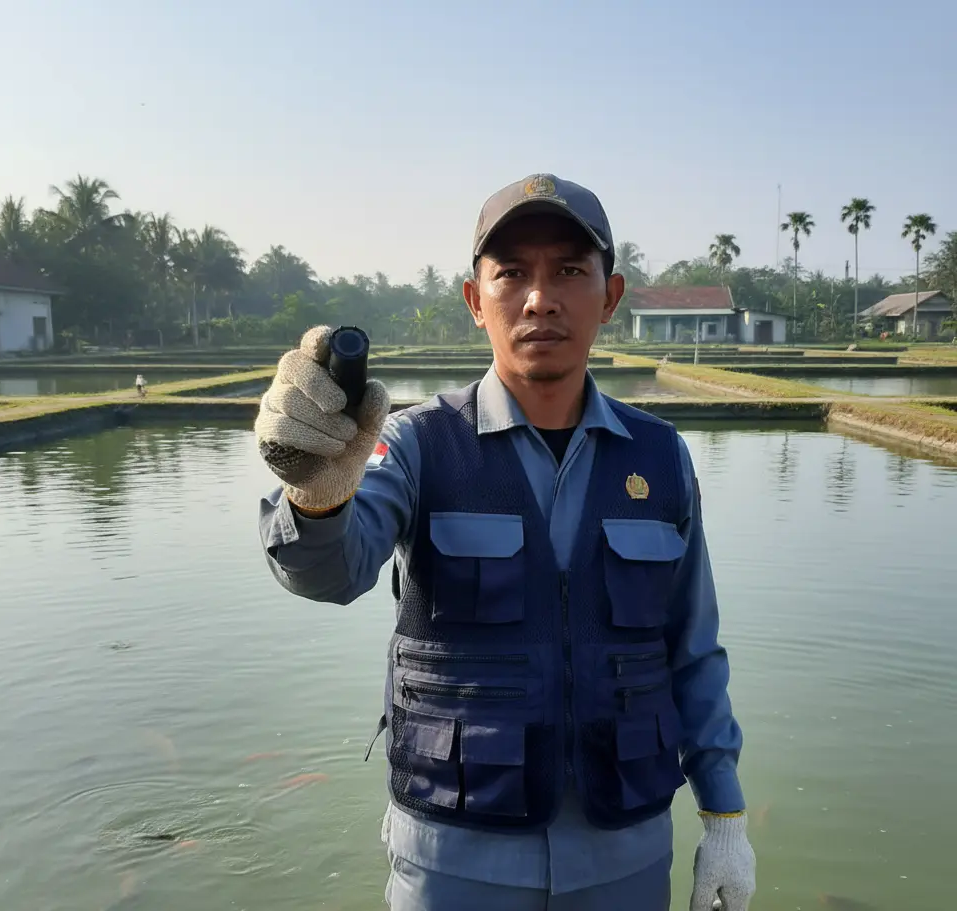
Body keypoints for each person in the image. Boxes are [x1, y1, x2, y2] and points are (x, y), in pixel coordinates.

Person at [253, 173, 756, 911]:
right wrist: (316, 491)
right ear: (474, 300)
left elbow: (693, 647)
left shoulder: (660, 456)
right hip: (456, 858)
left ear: (609, 297)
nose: (539, 297)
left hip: (624, 853)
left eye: (569, 271)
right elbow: (332, 571)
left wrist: (725, 813)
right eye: (512, 272)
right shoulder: (419, 445)